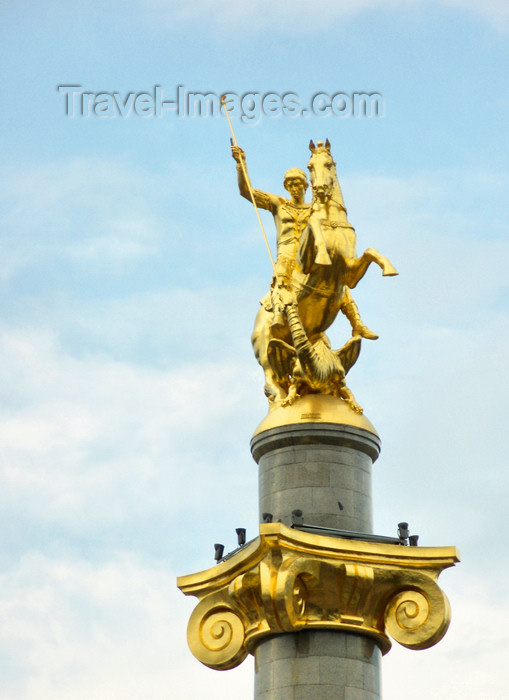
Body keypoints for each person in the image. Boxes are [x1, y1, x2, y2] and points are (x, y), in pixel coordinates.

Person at [231, 144, 377, 338]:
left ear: (306, 185)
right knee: (281, 276)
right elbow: (246, 191)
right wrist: (241, 165)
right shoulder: (278, 204)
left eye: (298, 183)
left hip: (310, 255)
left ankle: (357, 323)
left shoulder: (314, 210)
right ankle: (277, 316)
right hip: (288, 254)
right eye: (290, 183)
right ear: (286, 186)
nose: (294, 186)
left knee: (337, 279)